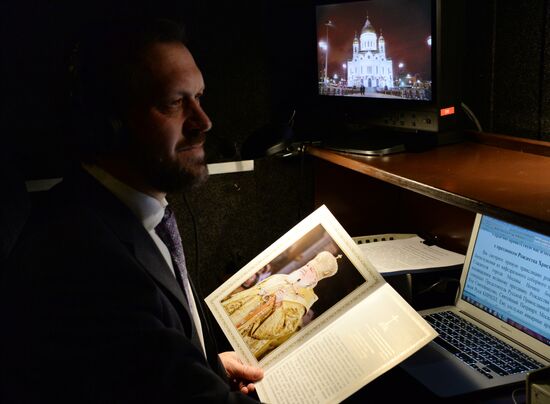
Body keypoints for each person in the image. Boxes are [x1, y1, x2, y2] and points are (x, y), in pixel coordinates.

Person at [0, 17, 263, 403]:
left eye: (199, 97)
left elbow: (144, 366)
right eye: (175, 103)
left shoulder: (122, 210)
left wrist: (206, 366)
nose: (203, 122)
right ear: (110, 123)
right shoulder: (85, 261)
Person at [222, 251, 340, 360]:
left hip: (244, 336)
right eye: (308, 266)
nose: (306, 269)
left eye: (311, 270)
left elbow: (282, 328)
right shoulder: (280, 277)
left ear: (316, 278)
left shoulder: (301, 303)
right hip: (232, 313)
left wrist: (278, 303)